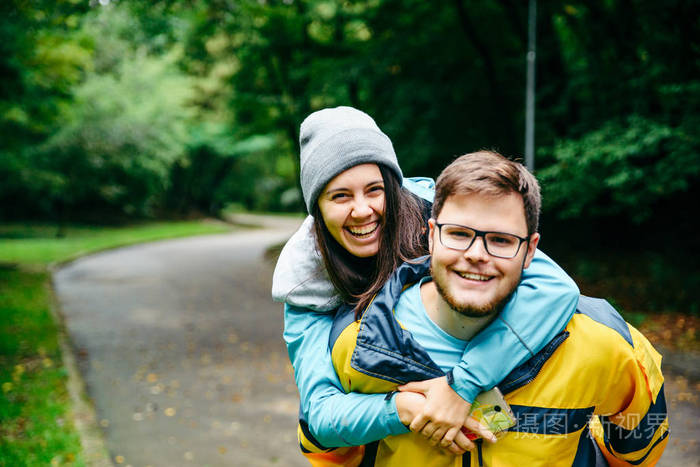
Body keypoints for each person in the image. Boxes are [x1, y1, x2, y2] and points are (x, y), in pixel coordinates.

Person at [321, 151, 668, 466]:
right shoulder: (357, 342)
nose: (476, 253)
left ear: (530, 251)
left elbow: (637, 448)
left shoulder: (604, 343)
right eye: (458, 234)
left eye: (501, 240)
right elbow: (331, 453)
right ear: (430, 235)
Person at [273, 107, 580, 460]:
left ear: (393, 186)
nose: (361, 210)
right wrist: (406, 409)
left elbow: (556, 287)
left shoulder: (436, 211)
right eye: (340, 196)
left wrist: (461, 386)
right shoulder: (304, 282)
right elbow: (321, 416)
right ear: (318, 208)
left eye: (374, 190)